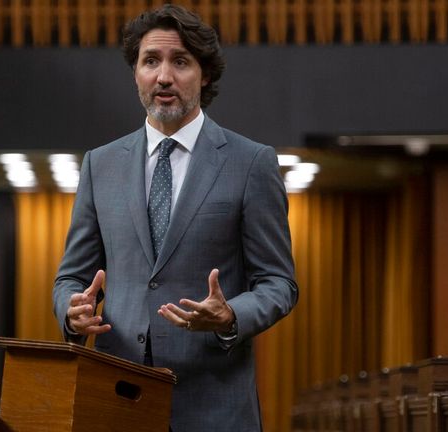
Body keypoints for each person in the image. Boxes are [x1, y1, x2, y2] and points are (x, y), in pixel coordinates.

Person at [52, 4, 299, 431]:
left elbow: (279, 283)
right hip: (117, 403)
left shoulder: (252, 162)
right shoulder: (100, 165)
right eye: (151, 61)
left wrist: (231, 315)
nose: (164, 76)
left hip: (215, 407)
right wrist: (71, 313)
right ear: (136, 74)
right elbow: (70, 279)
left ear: (204, 75)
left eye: (180, 61)